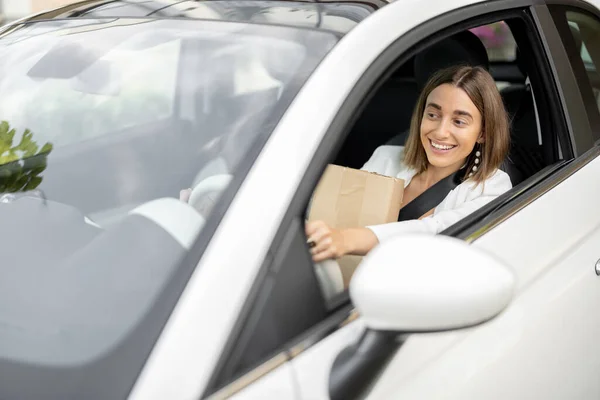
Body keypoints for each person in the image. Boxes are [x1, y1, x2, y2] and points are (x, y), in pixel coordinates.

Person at [306, 65, 512, 263]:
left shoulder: (492, 188)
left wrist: (346, 240)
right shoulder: (386, 157)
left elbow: (437, 230)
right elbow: (338, 212)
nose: (440, 132)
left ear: (483, 133)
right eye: (433, 115)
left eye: (459, 121)